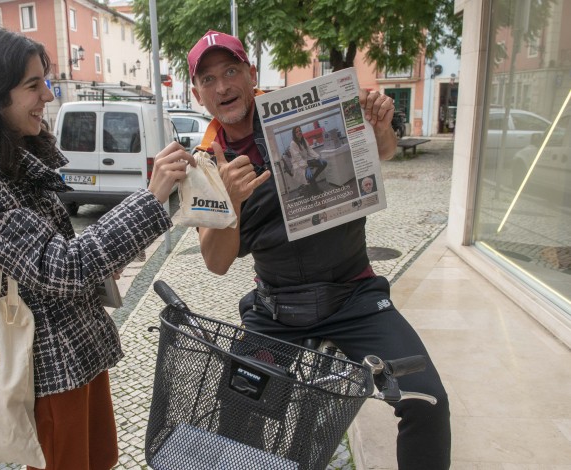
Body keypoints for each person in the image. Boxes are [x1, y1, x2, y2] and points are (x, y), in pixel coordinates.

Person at [0, 28, 195, 470]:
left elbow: (69, 256)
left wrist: (116, 252)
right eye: (32, 85)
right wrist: (151, 199)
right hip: (45, 370)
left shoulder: (17, 158)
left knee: (99, 461)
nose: (47, 96)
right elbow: (58, 267)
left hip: (78, 357)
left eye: (44, 83)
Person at [188, 30, 450, 469]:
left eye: (231, 71)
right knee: (236, 411)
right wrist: (231, 203)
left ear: (251, 74)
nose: (223, 86)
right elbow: (215, 263)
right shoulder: (204, 165)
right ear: (197, 93)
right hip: (275, 308)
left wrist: (381, 127)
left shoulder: (302, 106)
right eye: (209, 79)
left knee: (427, 401)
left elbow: (381, 153)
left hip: (356, 296)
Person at [287, 125, 327, 194]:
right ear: (294, 134)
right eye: (297, 132)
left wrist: (318, 157)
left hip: (305, 162)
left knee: (324, 163)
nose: (299, 132)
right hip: (298, 166)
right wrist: (306, 168)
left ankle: (312, 179)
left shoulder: (303, 140)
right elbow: (298, 158)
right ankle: (316, 191)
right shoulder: (293, 144)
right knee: (310, 175)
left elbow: (309, 150)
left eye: (300, 131)